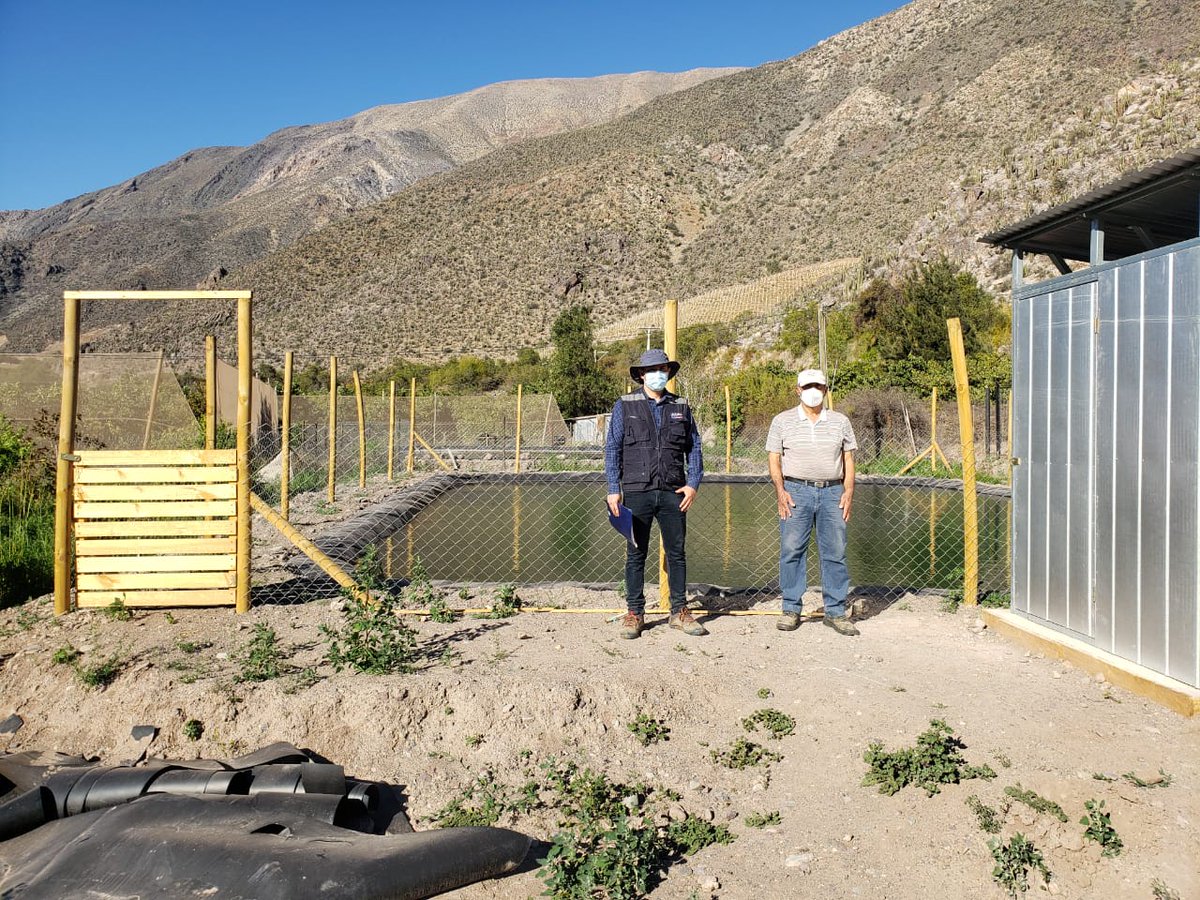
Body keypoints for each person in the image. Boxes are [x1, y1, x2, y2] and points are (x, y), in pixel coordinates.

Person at [605, 348, 707, 639]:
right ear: (641, 375)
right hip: (636, 492)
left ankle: (679, 612)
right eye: (652, 370)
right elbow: (612, 448)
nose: (658, 374)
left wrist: (693, 483)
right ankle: (635, 613)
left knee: (677, 553)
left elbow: (695, 447)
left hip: (673, 491)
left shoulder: (682, 407)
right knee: (636, 553)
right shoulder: (624, 406)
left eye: (663, 369)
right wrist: (614, 488)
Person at [766, 368, 860, 636]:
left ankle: (835, 611)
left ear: (826, 390)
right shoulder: (782, 421)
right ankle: (791, 608)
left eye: (818, 386)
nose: (813, 391)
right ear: (798, 390)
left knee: (835, 551)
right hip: (796, 490)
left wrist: (848, 491)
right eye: (808, 386)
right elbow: (774, 458)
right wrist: (780, 491)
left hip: (833, 492)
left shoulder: (840, 421)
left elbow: (848, 459)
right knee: (792, 549)